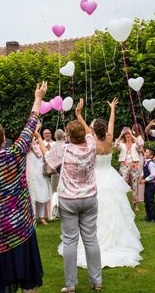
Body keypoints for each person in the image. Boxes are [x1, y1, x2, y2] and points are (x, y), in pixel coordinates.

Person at [0, 83, 47, 293]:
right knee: (29, 281)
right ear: (3, 137)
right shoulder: (16, 152)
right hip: (20, 227)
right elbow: (31, 125)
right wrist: (38, 98)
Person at [55, 98, 143, 272]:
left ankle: (91, 241)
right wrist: (112, 109)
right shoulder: (109, 139)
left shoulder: (91, 140)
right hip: (110, 176)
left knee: (97, 212)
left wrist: (78, 113)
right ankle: (115, 240)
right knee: (114, 209)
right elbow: (112, 122)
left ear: (94, 129)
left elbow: (84, 126)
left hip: (95, 178)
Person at [46, 98, 109, 292]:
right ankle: (97, 281)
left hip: (69, 200)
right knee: (91, 239)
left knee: (70, 241)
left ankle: (70, 284)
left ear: (69, 136)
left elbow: (48, 163)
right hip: (89, 198)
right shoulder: (91, 145)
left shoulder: (63, 150)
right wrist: (78, 114)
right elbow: (90, 133)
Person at [27, 123, 52, 225]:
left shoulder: (41, 146)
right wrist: (36, 128)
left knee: (42, 195)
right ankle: (32, 218)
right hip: (32, 175)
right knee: (33, 196)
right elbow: (29, 140)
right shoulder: (28, 147)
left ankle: (41, 217)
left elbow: (47, 156)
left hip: (41, 174)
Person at [115, 126, 143, 212]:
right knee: (123, 185)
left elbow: (140, 144)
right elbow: (116, 145)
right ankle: (123, 203)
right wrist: (120, 134)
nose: (128, 136)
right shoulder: (122, 145)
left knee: (135, 185)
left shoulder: (135, 145)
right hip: (124, 166)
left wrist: (132, 134)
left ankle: (135, 205)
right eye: (126, 135)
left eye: (129, 135)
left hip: (134, 166)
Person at [140, 148, 155, 222]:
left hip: (151, 185)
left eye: (147, 152)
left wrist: (145, 180)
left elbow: (153, 174)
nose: (145, 153)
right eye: (145, 152)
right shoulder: (146, 162)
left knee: (150, 201)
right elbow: (145, 171)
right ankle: (148, 216)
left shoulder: (151, 163)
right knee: (146, 200)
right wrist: (141, 176)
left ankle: (153, 217)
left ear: (151, 156)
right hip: (147, 185)